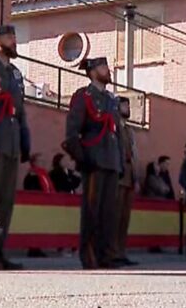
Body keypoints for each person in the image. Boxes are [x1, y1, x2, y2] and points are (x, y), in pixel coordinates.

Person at [64, 57, 123, 269]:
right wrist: (83, 159)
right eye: (103, 67)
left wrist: (121, 164)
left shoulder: (111, 99)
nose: (108, 71)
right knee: (92, 211)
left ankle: (106, 254)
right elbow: (71, 134)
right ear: (91, 71)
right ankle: (89, 255)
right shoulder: (83, 96)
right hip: (94, 160)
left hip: (111, 160)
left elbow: (118, 133)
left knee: (109, 213)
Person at [0, 25, 31, 270]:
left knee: (6, 200)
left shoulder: (15, 73)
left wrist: (26, 139)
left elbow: (21, 110)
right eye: (8, 37)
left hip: (12, 140)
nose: (13, 40)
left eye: (14, 36)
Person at [113, 96, 139, 267]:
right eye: (124, 104)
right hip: (118, 175)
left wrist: (136, 177)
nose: (127, 107)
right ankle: (112, 252)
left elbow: (135, 154)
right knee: (115, 217)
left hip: (129, 175)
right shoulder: (114, 127)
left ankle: (121, 251)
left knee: (124, 218)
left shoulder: (129, 130)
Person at [23, 154, 54, 258]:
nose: (43, 163)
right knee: (34, 227)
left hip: (44, 204)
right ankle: (33, 249)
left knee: (40, 227)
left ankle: (37, 248)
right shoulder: (32, 175)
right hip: (35, 205)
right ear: (34, 162)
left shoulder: (43, 174)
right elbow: (31, 188)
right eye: (40, 161)